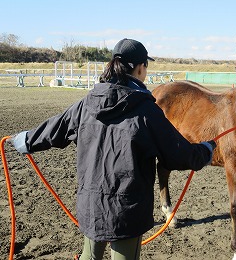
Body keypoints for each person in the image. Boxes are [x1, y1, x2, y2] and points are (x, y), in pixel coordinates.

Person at [8, 38, 216, 260]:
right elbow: (179, 155)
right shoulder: (146, 111)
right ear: (139, 67)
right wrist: (206, 149)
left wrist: (26, 140)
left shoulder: (87, 103)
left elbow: (55, 128)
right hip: (127, 210)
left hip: (91, 205)